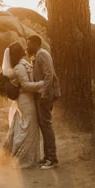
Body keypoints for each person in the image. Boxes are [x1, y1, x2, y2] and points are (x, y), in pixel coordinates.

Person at [1, 42, 44, 169]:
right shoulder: (20, 67)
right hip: (25, 100)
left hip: (28, 99)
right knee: (27, 126)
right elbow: (25, 85)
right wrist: (42, 84)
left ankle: (28, 156)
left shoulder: (22, 64)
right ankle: (22, 158)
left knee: (27, 126)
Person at [23, 33, 60, 169]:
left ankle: (52, 159)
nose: (27, 47)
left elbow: (49, 74)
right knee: (44, 125)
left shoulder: (42, 54)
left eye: (28, 44)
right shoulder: (38, 55)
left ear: (35, 44)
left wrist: (44, 93)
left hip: (46, 94)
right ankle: (47, 157)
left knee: (46, 125)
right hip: (42, 94)